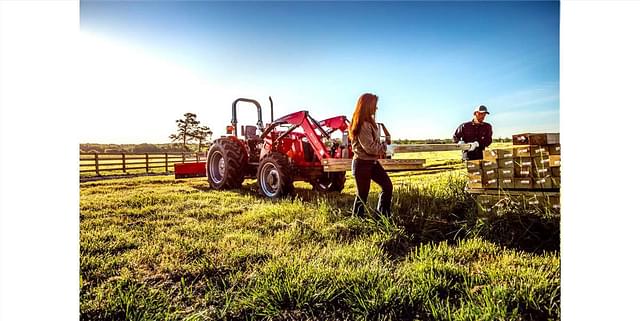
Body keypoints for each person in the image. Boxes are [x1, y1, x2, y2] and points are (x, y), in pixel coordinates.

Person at [349, 93, 393, 217]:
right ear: (367, 106)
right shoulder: (362, 124)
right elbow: (370, 148)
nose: (376, 108)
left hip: (372, 163)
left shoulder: (369, 122)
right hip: (362, 164)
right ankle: (357, 221)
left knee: (387, 186)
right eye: (374, 105)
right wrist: (386, 148)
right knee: (362, 195)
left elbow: (373, 144)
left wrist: (383, 143)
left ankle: (382, 216)